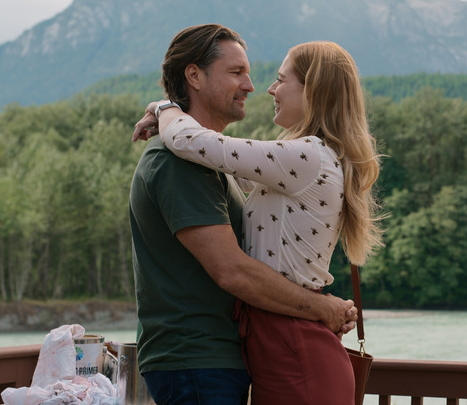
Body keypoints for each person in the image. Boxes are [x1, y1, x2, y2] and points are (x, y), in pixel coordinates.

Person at [141, 40, 384, 404]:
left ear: (312, 90)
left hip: (291, 341)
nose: (268, 88)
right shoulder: (308, 161)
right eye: (240, 73)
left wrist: (163, 107)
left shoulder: (305, 157)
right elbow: (219, 165)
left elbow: (189, 140)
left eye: (279, 79)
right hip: (285, 339)